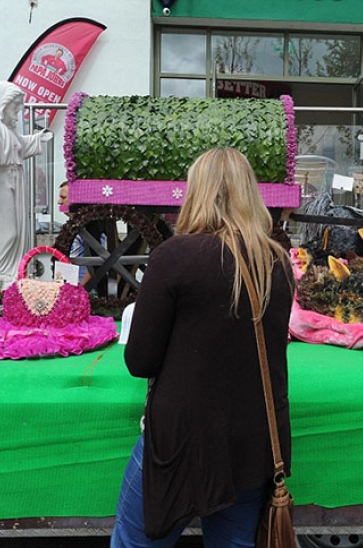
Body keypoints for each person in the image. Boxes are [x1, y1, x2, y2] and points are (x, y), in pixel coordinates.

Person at [111, 147, 294, 548]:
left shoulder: (175, 256)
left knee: (135, 542)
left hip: (182, 441)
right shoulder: (276, 262)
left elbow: (140, 361)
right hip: (254, 440)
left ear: (196, 192)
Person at [0, 81, 53, 286]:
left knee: (19, 228)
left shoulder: (9, 129)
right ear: (3, 104)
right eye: (15, 106)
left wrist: (38, 139)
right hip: (1, 183)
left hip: (16, 181)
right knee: (8, 230)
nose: (18, 110)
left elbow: (20, 146)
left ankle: (11, 270)